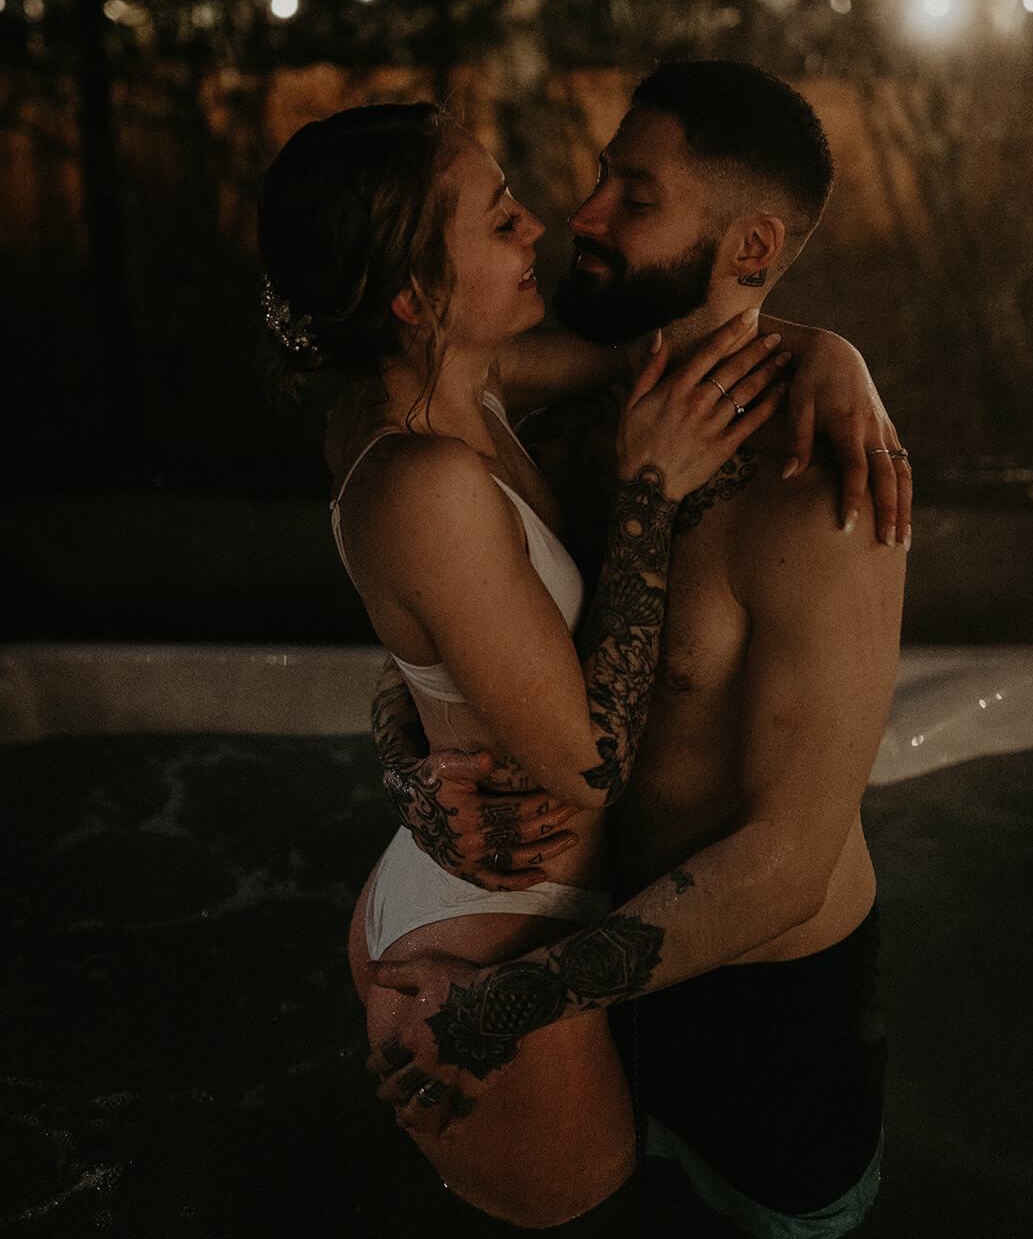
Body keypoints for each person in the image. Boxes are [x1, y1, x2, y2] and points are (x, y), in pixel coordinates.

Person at [366, 63, 909, 1237]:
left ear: (749, 245)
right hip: (578, 938)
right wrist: (411, 757)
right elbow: (465, 646)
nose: (582, 215)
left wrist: (511, 1003)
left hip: (762, 1007)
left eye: (635, 195)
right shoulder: (566, 414)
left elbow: (786, 857)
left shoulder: (820, 493)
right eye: (604, 175)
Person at [257, 100, 799, 1227]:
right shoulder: (421, 480)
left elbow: (666, 341)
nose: (538, 226)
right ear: (413, 296)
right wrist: (646, 488)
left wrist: (831, 359)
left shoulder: (458, 383)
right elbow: (588, 765)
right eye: (501, 220)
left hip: (478, 889)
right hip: (484, 953)